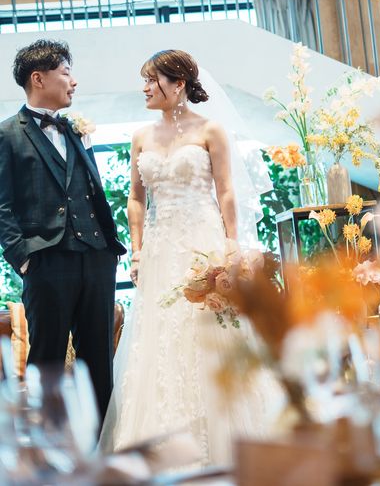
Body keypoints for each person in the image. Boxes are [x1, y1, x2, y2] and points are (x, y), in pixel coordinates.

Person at [100, 50, 273, 464]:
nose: (144, 88)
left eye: (151, 80)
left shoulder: (211, 130)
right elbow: (136, 199)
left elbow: (226, 190)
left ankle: (227, 440)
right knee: (159, 339)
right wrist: (137, 251)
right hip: (160, 250)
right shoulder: (140, 136)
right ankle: (160, 442)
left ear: (178, 84)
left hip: (202, 242)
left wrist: (231, 244)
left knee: (209, 332)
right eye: (145, 80)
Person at [0, 39, 126, 421]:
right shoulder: (7, 134)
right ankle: (49, 450)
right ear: (38, 78)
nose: (73, 82)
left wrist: (108, 249)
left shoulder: (75, 130)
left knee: (99, 362)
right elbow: (1, 206)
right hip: (46, 261)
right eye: (66, 73)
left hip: (96, 257)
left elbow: (89, 191)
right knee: (48, 362)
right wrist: (24, 259)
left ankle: (100, 449)